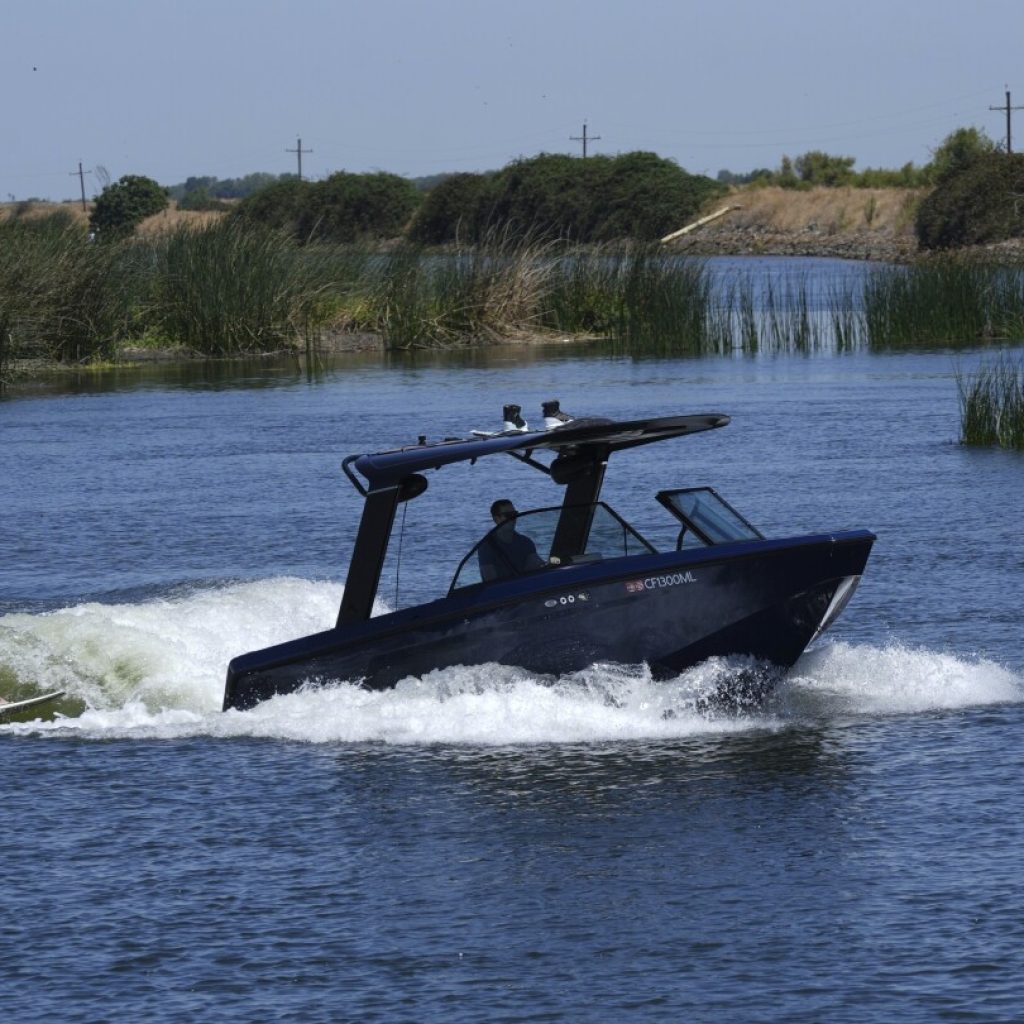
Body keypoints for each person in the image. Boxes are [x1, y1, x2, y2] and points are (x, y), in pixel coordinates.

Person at [477, 498, 545, 581]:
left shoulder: (525, 542)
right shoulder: (486, 547)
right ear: (496, 519)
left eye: (514, 514)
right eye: (508, 515)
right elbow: (490, 582)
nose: (513, 518)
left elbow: (538, 566)